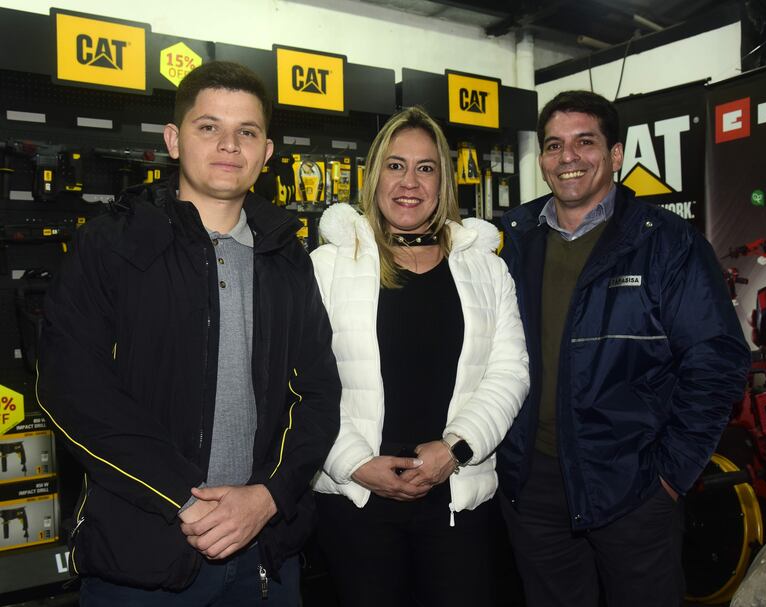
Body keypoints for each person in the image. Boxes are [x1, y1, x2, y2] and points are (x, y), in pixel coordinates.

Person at [36, 61, 341, 606]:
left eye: (246, 132)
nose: (229, 145)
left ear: (266, 152)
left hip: (265, 555)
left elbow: (318, 394)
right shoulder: (111, 245)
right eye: (209, 127)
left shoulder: (287, 256)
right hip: (142, 558)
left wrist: (269, 497)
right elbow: (73, 389)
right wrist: (185, 500)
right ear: (174, 140)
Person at [497, 89, 750, 607]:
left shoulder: (667, 242)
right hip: (533, 484)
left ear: (615, 155)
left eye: (584, 142)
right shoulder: (510, 239)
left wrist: (669, 476)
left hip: (633, 486)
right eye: (553, 145)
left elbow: (716, 360)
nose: (567, 157)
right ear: (542, 158)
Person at [309, 106, 530, 607]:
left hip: (457, 498)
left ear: (443, 180)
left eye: (425, 167)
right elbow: (300, 380)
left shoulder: (485, 270)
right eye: (395, 165)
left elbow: (509, 372)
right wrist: (353, 462)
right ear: (374, 174)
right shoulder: (325, 268)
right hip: (357, 500)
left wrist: (455, 449)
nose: (410, 182)